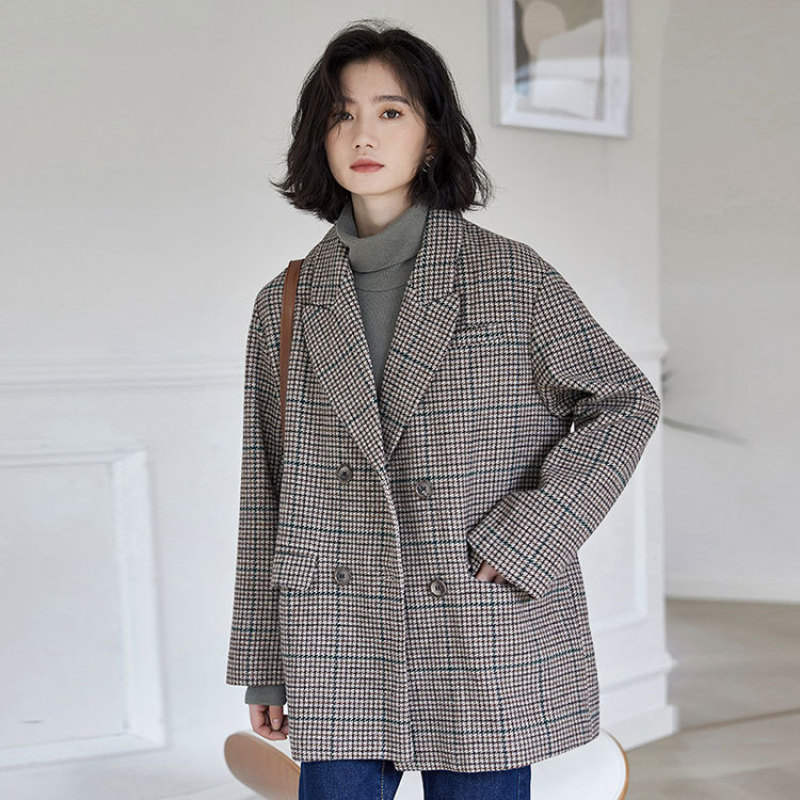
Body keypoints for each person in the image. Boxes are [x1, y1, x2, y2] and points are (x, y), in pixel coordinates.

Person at [226, 18, 661, 800]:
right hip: (337, 630)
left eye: (390, 111)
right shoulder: (284, 302)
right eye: (341, 114)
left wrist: (529, 534)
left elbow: (624, 400)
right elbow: (267, 487)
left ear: (430, 138)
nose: (363, 133)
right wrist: (264, 661)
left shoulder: (510, 277)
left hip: (473, 614)